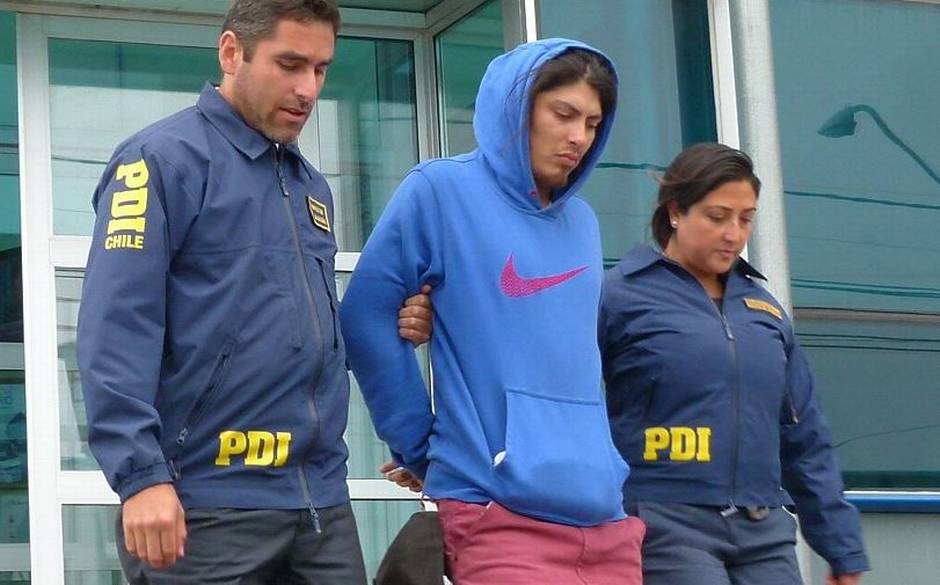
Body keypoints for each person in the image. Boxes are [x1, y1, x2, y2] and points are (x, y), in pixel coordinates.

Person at [76, 1, 429, 583]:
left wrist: (402, 324)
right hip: (204, 505)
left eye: (320, 69)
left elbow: (293, 330)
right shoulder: (159, 162)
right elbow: (116, 327)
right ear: (231, 52)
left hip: (319, 504)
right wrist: (140, 476)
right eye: (290, 64)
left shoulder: (310, 186)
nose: (308, 88)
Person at [339, 39, 644, 584]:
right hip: (496, 513)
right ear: (517, 108)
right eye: (563, 114)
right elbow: (366, 317)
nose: (579, 137)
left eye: (593, 123)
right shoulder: (441, 190)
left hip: (603, 517)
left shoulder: (584, 223)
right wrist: (421, 446)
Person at [599, 143, 869, 585]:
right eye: (718, 216)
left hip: (764, 529)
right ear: (675, 211)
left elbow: (805, 434)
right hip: (665, 520)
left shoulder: (764, 310)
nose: (734, 234)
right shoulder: (618, 296)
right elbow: (567, 399)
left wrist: (841, 546)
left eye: (746, 219)